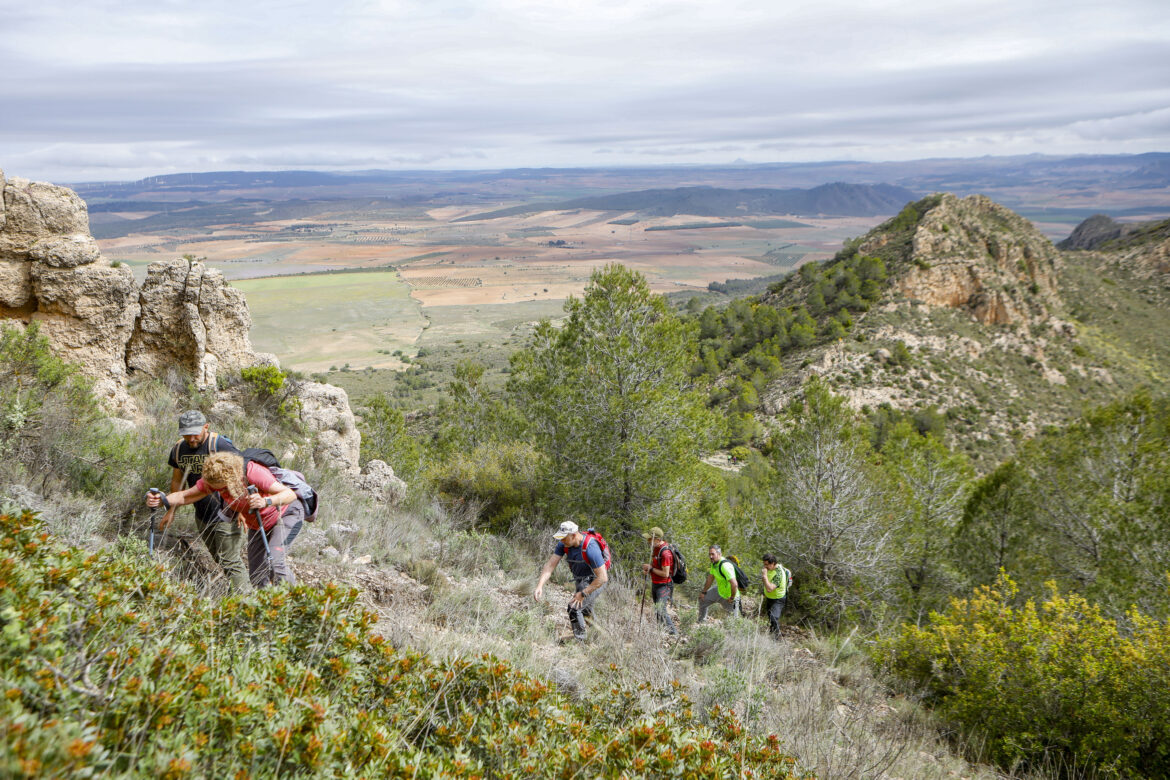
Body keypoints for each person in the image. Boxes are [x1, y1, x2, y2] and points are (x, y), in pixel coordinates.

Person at [147, 451, 304, 588]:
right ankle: (266, 612)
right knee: (256, 573)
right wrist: (162, 500)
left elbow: (290, 494)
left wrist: (266, 501)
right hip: (259, 524)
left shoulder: (252, 472)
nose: (219, 491)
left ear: (232, 477)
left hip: (287, 515)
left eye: (222, 488)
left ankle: (294, 605)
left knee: (275, 562)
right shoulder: (213, 480)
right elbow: (185, 496)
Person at [160, 410, 249, 592]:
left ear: (206, 427)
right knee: (219, 558)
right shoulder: (179, 449)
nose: (191, 438)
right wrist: (171, 511)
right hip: (201, 514)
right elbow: (178, 481)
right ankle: (242, 590)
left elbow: (242, 473)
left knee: (230, 560)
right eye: (186, 434)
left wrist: (242, 509)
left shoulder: (219, 444)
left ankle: (245, 600)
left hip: (227, 511)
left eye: (195, 433)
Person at [534, 520, 609, 641]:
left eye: (564, 538)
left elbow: (603, 578)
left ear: (574, 535)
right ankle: (597, 636)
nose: (562, 541)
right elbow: (550, 565)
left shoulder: (591, 547)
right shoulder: (564, 545)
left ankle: (580, 642)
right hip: (581, 579)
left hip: (596, 581)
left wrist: (583, 593)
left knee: (574, 608)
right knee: (586, 610)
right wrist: (540, 586)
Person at [641, 526, 677, 635]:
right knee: (657, 610)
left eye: (649, 539)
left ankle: (673, 633)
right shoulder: (656, 549)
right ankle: (661, 632)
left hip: (664, 585)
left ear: (657, 539)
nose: (648, 541)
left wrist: (651, 569)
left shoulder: (665, 553)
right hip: (656, 583)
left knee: (661, 610)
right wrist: (650, 569)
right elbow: (657, 566)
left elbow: (665, 574)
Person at [696, 545, 740, 623]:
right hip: (719, 591)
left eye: (713, 554)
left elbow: (734, 584)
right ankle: (701, 622)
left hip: (730, 596)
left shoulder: (725, 566)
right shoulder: (714, 564)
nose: (711, 556)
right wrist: (704, 592)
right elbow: (710, 578)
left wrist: (732, 597)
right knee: (702, 599)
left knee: (733, 623)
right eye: (709, 554)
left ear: (719, 554)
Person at [760, 553, 788, 638]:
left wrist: (764, 576)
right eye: (764, 564)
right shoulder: (769, 569)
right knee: (770, 618)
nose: (765, 567)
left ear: (773, 563)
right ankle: (772, 634)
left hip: (778, 599)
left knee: (774, 618)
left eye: (767, 565)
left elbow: (769, 588)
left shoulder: (779, 573)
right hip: (770, 598)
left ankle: (776, 638)